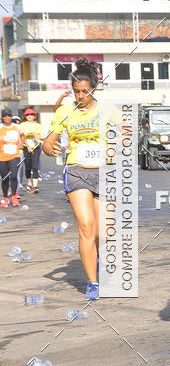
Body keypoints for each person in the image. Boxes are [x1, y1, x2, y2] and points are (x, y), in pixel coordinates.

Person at [42, 57, 109, 299]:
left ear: (94, 88)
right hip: (77, 171)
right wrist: (49, 146)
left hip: (103, 173)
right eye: (76, 91)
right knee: (86, 227)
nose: (80, 96)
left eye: (85, 91)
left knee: (103, 233)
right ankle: (92, 283)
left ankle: (99, 257)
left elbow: (125, 136)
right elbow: (48, 141)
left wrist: (118, 144)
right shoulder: (65, 110)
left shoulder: (107, 108)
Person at [0, 108, 23, 207]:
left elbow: (23, 135)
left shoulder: (17, 127)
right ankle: (5, 198)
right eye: (5, 116)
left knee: (13, 176)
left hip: (15, 156)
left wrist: (21, 143)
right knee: (4, 178)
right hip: (2, 157)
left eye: (9, 116)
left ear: (11, 116)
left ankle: (14, 197)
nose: (7, 118)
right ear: (2, 117)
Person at [21, 108, 43, 194]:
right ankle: (29, 183)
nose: (30, 116)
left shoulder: (38, 126)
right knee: (28, 165)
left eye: (31, 115)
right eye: (28, 115)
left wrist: (36, 136)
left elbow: (42, 137)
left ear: (34, 116)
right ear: (25, 116)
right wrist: (28, 146)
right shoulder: (22, 125)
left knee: (35, 166)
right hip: (26, 147)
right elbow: (22, 137)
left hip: (36, 147)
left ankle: (35, 185)